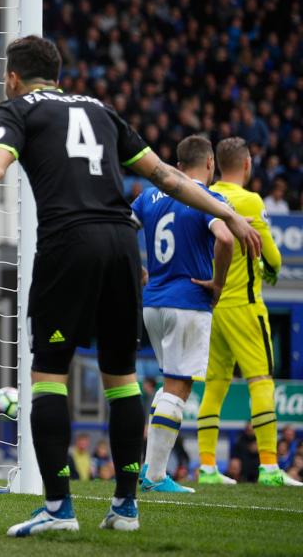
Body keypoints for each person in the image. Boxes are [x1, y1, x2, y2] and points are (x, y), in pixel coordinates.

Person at [0, 36, 260, 537]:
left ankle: (59, 507)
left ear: (14, 77)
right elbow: (168, 177)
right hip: (122, 245)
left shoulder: (17, 108)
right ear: (58, 74)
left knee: (48, 376)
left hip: (69, 244)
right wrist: (228, 212)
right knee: (122, 377)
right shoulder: (101, 110)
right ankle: (126, 507)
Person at [131, 135, 234, 493]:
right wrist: (217, 284)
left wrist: (138, 269)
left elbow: (124, 227)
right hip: (188, 301)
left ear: (177, 166)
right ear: (210, 165)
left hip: (153, 303)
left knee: (167, 383)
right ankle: (155, 476)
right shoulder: (207, 199)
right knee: (179, 386)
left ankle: (150, 469)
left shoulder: (148, 196)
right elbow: (226, 238)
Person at [197, 138, 301, 487]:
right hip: (244, 305)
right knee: (260, 381)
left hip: (213, 307)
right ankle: (270, 466)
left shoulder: (206, 197)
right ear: (246, 165)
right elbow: (272, 256)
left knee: (214, 386)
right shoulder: (251, 201)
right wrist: (270, 268)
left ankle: (207, 467)